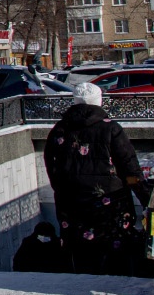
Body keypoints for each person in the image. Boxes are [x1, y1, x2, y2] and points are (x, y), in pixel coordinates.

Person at [44, 81, 148, 275]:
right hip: (110, 208)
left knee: (80, 256)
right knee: (114, 257)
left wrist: (65, 191)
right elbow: (130, 170)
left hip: (72, 206)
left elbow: (53, 169)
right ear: (99, 101)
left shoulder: (58, 131)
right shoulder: (111, 129)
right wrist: (145, 197)